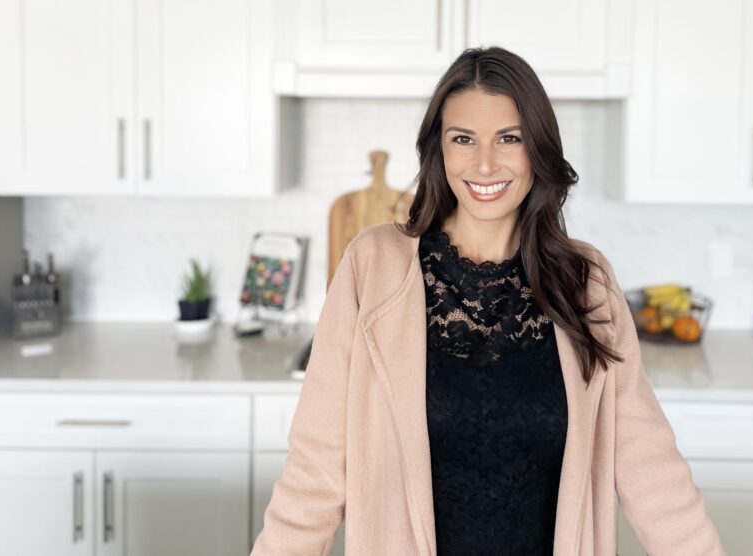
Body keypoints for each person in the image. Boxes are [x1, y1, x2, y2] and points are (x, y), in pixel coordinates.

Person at [251, 46, 725, 555]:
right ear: (440, 149)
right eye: (463, 139)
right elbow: (314, 475)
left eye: (509, 138)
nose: (484, 163)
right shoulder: (374, 266)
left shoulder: (585, 282)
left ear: (537, 148)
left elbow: (650, 468)